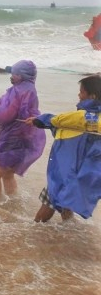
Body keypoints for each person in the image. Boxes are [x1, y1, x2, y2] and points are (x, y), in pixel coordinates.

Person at [28, 75, 101, 222]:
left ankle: (34, 231)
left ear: (92, 96)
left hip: (69, 170)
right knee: (67, 198)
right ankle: (68, 230)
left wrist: (39, 120)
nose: (79, 95)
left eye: (82, 92)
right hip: (84, 172)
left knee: (51, 198)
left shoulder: (85, 117)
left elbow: (58, 120)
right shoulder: (96, 118)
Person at [0, 60, 46, 200]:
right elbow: (5, 99)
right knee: (7, 173)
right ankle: (13, 202)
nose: (12, 76)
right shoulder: (27, 87)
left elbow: (5, 114)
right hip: (26, 135)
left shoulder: (20, 90)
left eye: (14, 74)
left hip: (15, 136)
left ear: (21, 75)